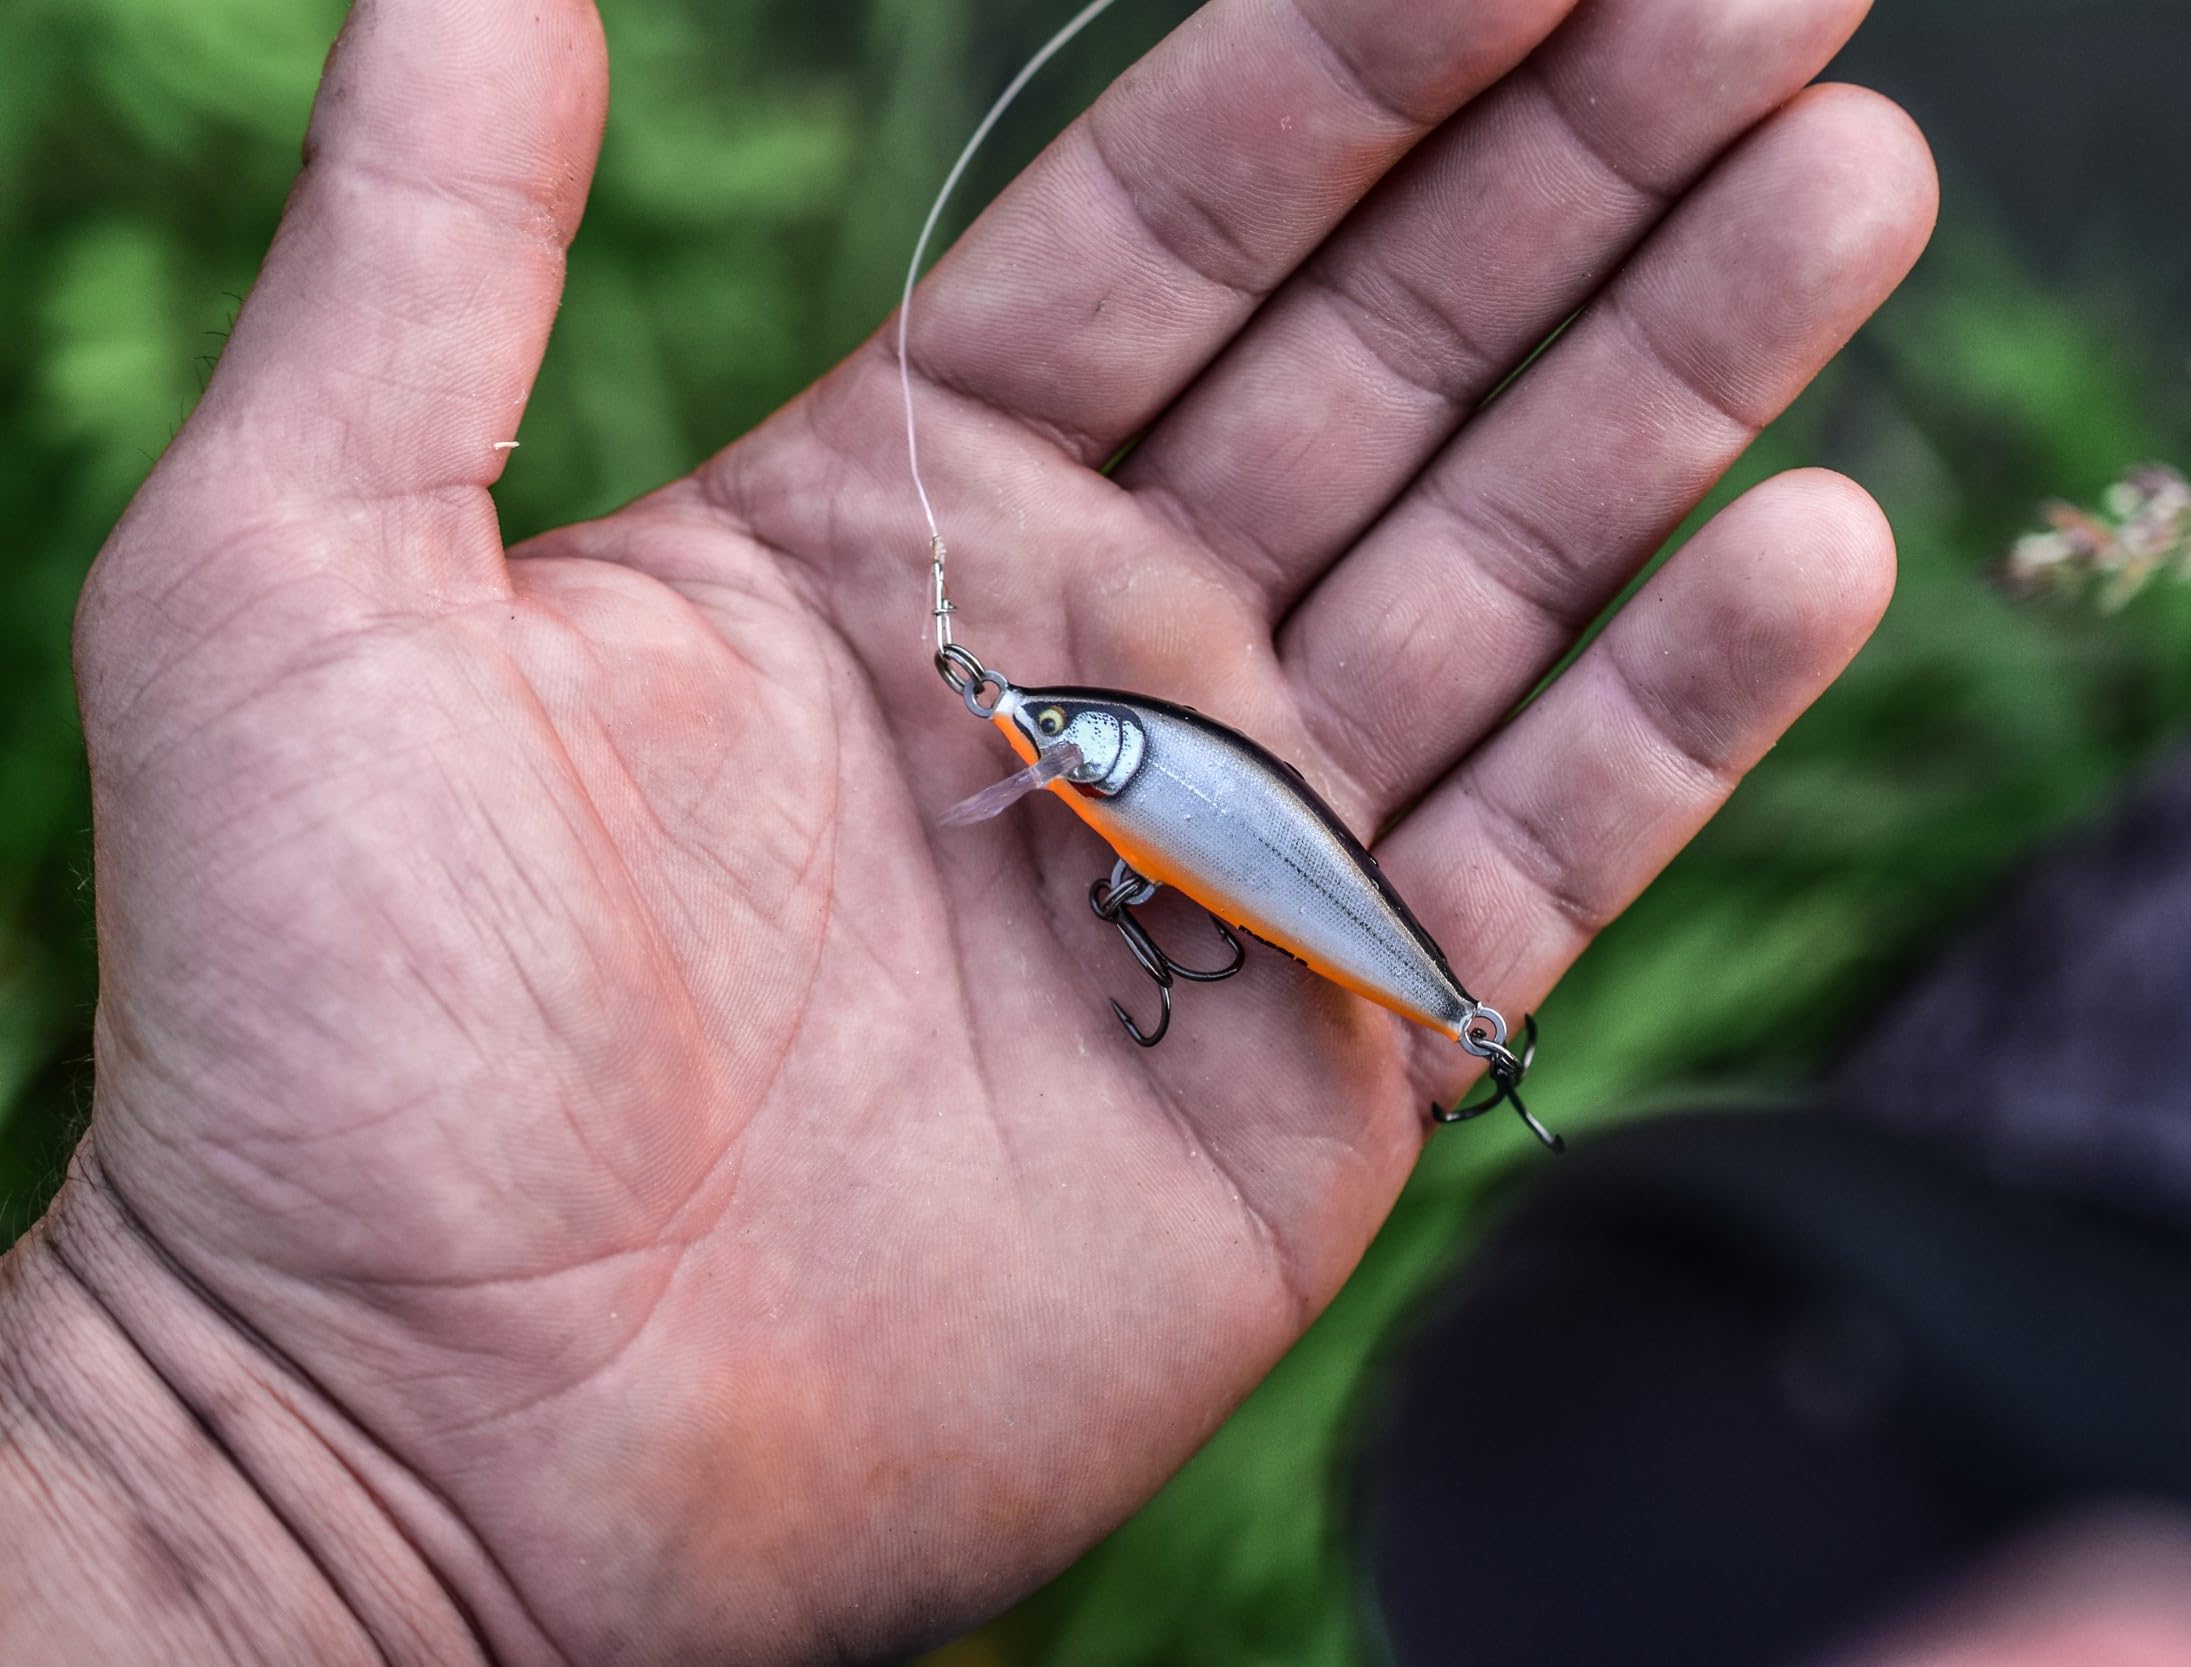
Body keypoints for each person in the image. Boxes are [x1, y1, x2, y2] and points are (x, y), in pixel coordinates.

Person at [0, 0, 1960, 1658]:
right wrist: (277, 1451)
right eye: (1051, 737)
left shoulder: (1092, 771)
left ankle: (1458, 1028)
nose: (1037, 739)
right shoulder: (1066, 765)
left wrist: (261, 1493)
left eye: (1058, 733)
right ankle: (1466, 1034)